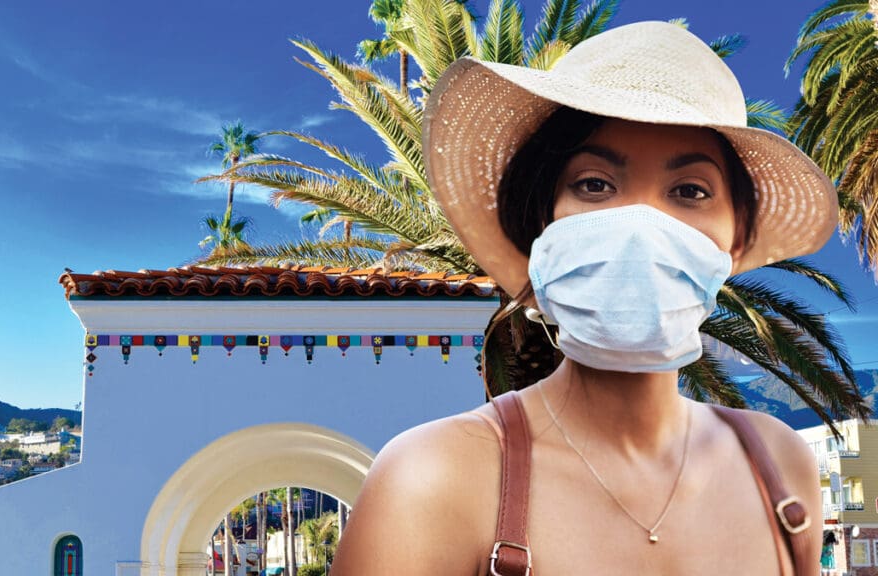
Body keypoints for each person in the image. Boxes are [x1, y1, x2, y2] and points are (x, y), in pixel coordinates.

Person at [330, 21, 828, 576]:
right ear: (540, 222)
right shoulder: (433, 479)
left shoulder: (781, 470)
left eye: (690, 191)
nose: (640, 225)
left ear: (735, 240)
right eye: (594, 184)